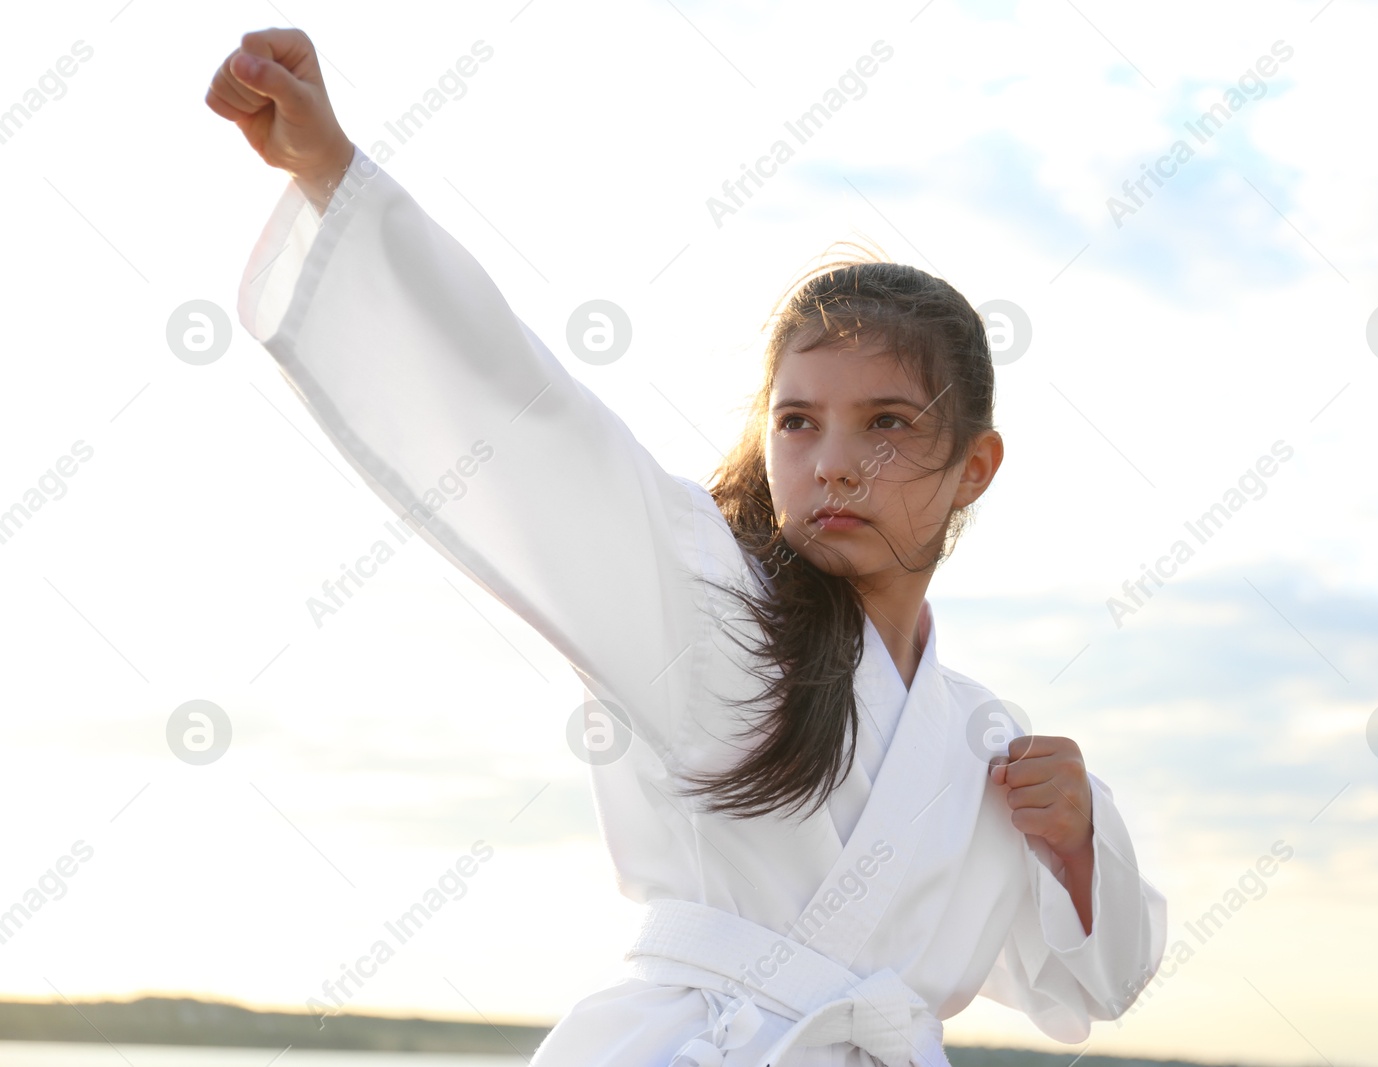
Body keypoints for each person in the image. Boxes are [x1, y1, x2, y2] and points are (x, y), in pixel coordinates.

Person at [206, 27, 1166, 1067]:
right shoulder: (699, 597)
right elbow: (535, 427)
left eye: (884, 422)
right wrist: (330, 170)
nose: (832, 464)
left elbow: (1094, 982)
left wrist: (1075, 843)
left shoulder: (981, 742)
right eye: (796, 422)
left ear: (973, 465)